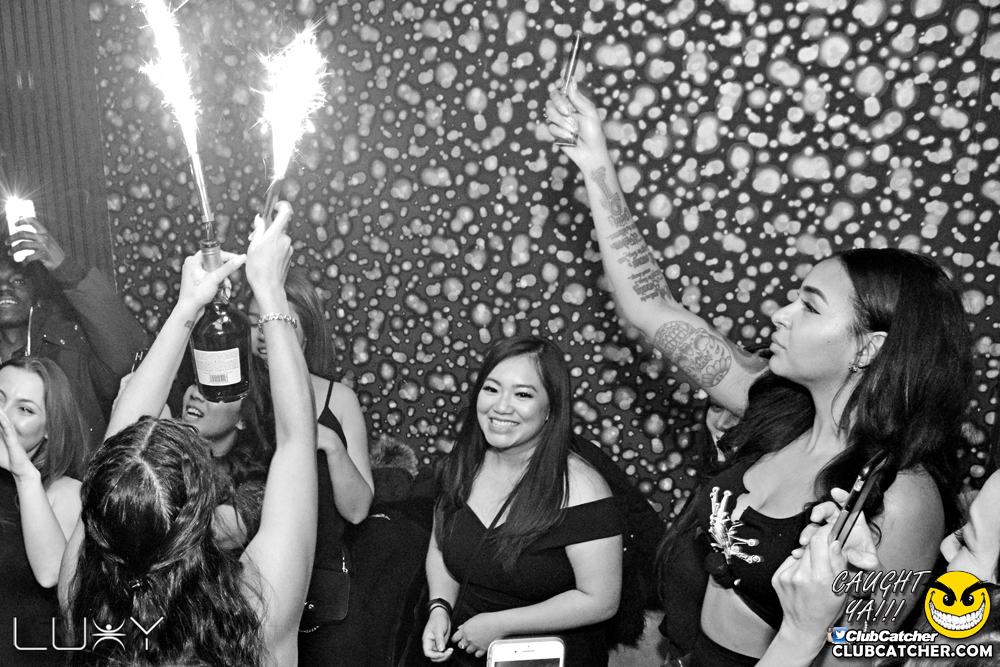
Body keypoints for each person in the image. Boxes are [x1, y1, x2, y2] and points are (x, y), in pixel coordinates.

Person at [547, 82, 972, 666]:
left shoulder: (899, 499)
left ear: (868, 348)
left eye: (810, 307)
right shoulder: (774, 406)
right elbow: (650, 306)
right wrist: (595, 161)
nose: (781, 314)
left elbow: (859, 658)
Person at [59, 204, 318, 667]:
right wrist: (270, 292)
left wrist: (187, 306)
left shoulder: (82, 598)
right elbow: (298, 440)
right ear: (201, 510)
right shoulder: (254, 616)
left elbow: (121, 429)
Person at [417, 335, 623, 667]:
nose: (501, 406)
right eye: (491, 389)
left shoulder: (582, 487)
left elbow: (601, 600)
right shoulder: (463, 464)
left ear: (551, 408)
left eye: (523, 394)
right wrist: (440, 607)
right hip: (464, 648)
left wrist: (501, 624)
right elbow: (441, 547)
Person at [2, 218, 148, 447]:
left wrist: (62, 266)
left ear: (35, 291)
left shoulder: (69, 347)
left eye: (18, 281)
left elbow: (127, 357)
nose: (5, 288)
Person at [0, 356, 89, 666]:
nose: (3, 416)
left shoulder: (63, 491)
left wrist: (23, 475)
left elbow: (52, 573)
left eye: (25, 409)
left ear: (50, 428)